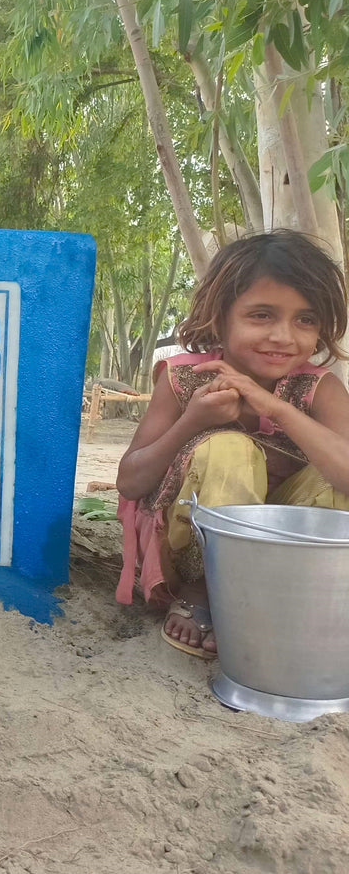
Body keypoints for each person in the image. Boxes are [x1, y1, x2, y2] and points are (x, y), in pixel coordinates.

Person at [115, 230, 349, 658]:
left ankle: (278, 596)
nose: (284, 336)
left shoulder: (320, 387)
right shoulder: (184, 379)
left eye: (306, 319)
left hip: (283, 557)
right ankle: (205, 590)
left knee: (331, 471)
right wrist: (193, 422)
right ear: (220, 318)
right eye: (262, 315)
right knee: (228, 451)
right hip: (190, 554)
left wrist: (277, 409)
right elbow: (130, 481)